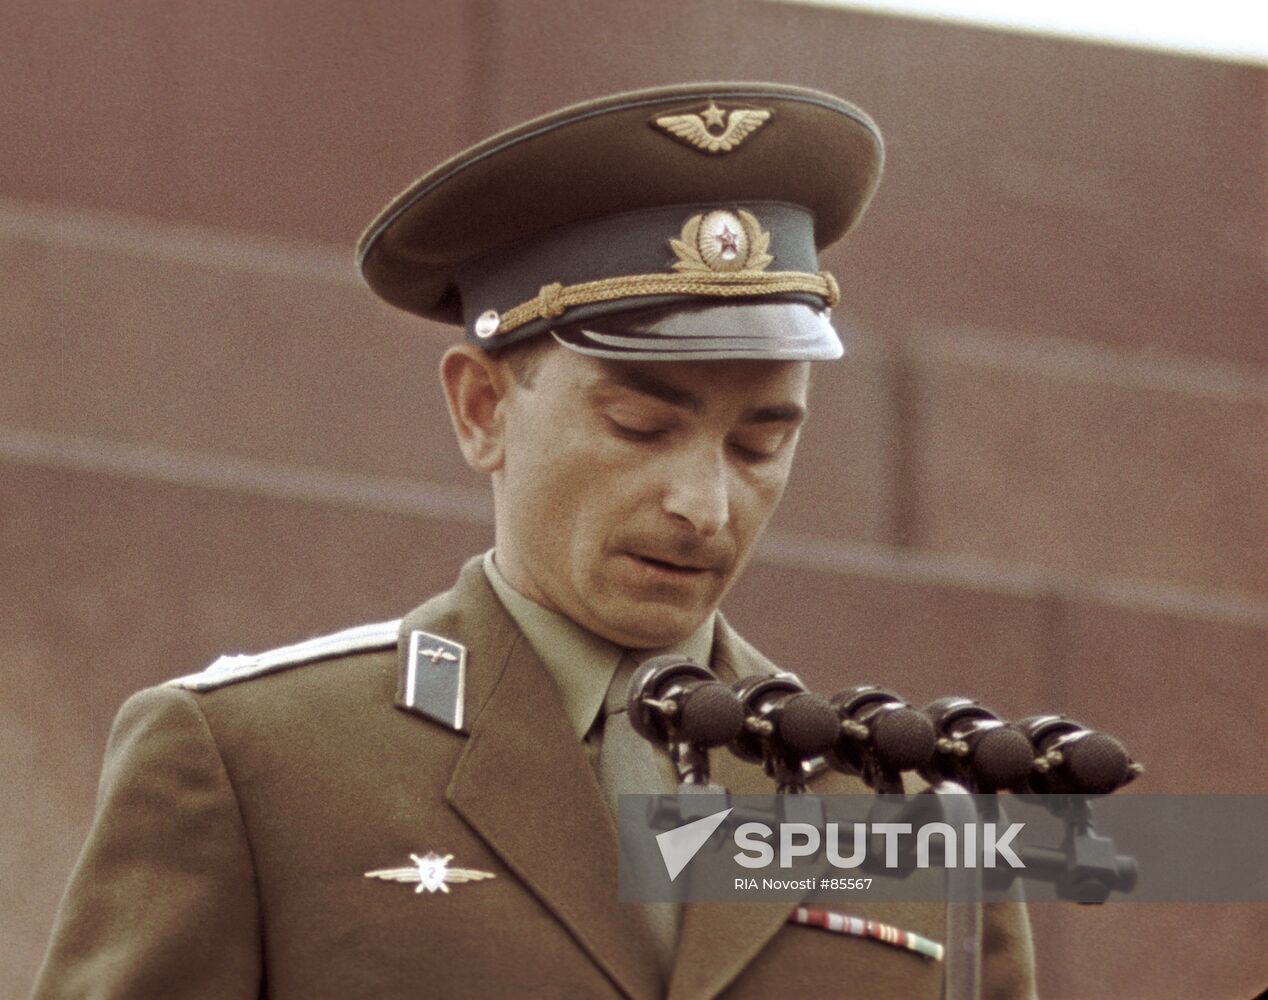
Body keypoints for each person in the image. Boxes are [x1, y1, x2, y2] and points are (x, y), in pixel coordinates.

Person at [32, 82, 1035, 999]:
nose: (704, 504)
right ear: (480, 410)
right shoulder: (255, 763)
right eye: (640, 427)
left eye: (759, 440)